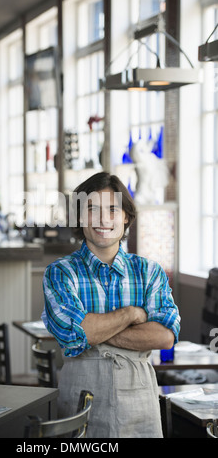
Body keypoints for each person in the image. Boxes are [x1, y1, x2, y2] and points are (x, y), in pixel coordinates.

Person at [42, 172, 180, 438]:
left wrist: (96, 329)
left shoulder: (149, 272)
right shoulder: (60, 273)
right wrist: (131, 314)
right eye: (92, 209)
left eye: (113, 210)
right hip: (79, 400)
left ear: (126, 217)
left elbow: (164, 337)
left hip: (140, 402)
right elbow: (76, 333)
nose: (104, 220)